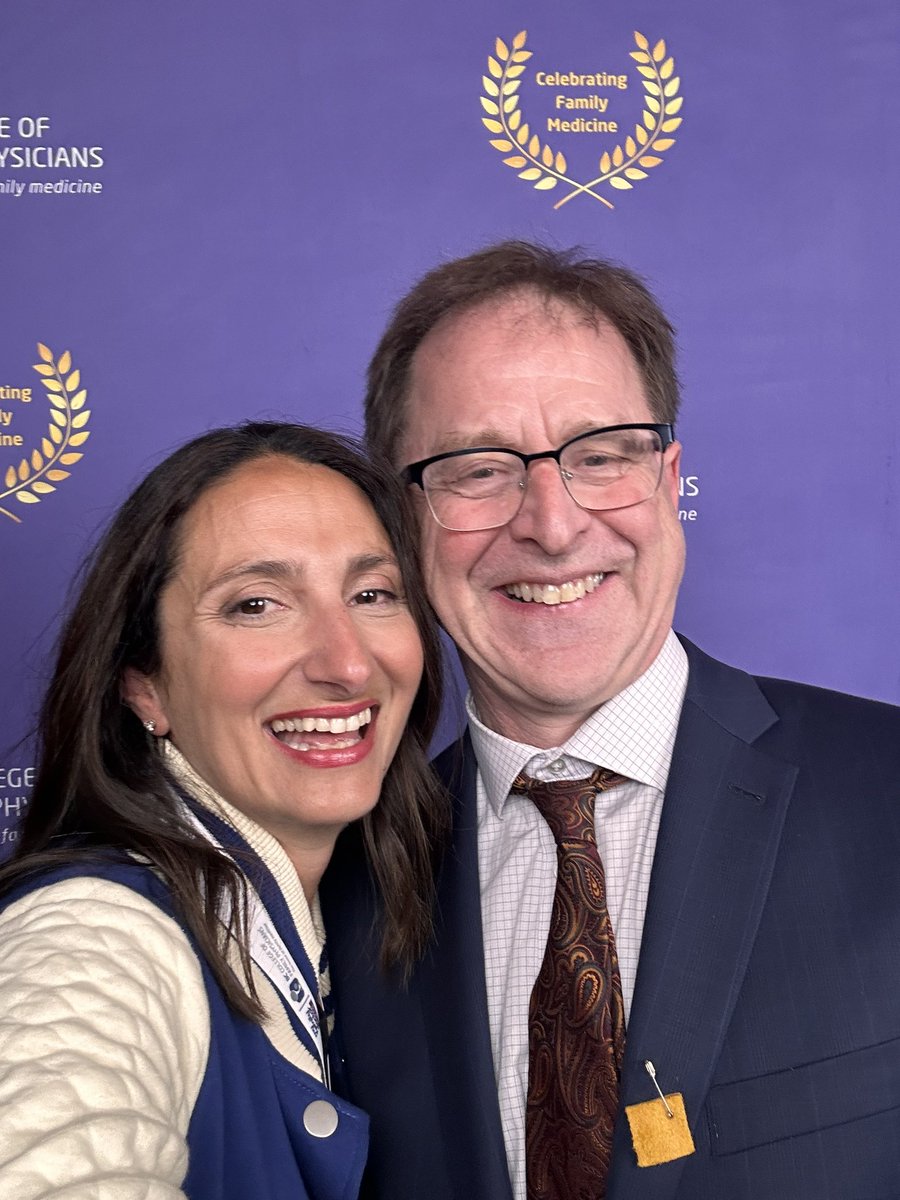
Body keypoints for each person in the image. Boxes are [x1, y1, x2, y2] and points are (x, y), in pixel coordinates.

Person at [322, 242, 900, 1200]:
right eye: (478, 469)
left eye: (600, 456)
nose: (551, 523)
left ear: (670, 483)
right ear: (402, 515)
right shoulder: (339, 878)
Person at [0, 421, 447, 1200]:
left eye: (372, 594)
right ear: (145, 684)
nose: (346, 663)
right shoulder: (95, 935)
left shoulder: (353, 919)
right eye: (257, 604)